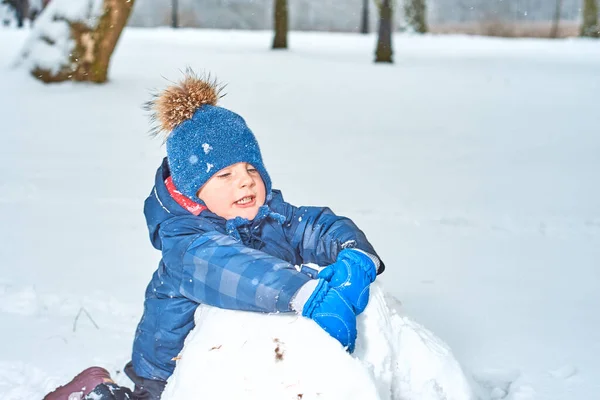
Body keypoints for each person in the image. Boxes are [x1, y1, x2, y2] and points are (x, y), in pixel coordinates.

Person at [44, 72, 385, 400]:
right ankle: (95, 392)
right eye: (225, 174)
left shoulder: (266, 215)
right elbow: (234, 269)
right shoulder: (187, 243)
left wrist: (355, 254)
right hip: (169, 373)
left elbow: (315, 225)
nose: (246, 181)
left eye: (252, 169)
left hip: (235, 362)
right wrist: (306, 293)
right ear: (193, 191)